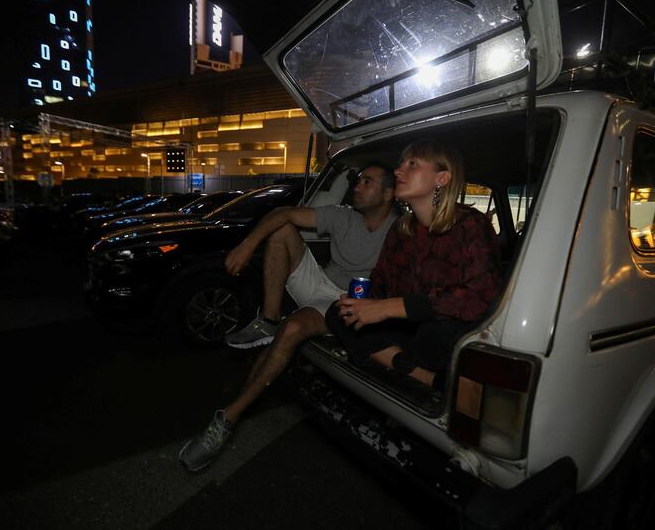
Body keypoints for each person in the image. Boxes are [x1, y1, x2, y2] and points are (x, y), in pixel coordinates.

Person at [178, 164, 399, 472]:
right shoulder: (344, 215)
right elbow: (282, 213)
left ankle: (227, 419)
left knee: (292, 328)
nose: (357, 186)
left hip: (345, 303)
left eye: (367, 182)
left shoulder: (399, 231)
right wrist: (248, 245)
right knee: (281, 229)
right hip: (320, 281)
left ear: (388, 193)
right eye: (358, 180)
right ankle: (268, 319)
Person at [326, 140, 502, 395]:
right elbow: (381, 283)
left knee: (433, 331)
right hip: (407, 329)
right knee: (338, 313)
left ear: (441, 178)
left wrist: (387, 308)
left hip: (445, 334)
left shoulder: (470, 225)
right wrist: (360, 302)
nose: (398, 171)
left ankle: (398, 366)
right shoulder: (401, 230)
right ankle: (424, 378)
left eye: (412, 164)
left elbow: (480, 296)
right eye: (401, 164)